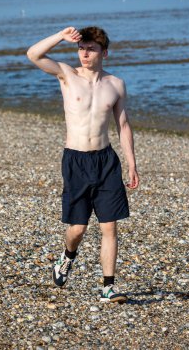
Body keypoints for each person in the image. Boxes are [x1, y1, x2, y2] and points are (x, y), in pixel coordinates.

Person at [27, 26, 139, 303]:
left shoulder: (116, 84)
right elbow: (33, 54)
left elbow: (123, 125)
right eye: (81, 48)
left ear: (104, 53)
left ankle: (108, 288)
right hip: (76, 159)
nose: (85, 53)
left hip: (106, 161)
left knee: (109, 226)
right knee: (78, 229)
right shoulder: (67, 75)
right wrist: (59, 36)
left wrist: (132, 163)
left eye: (91, 49)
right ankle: (67, 257)